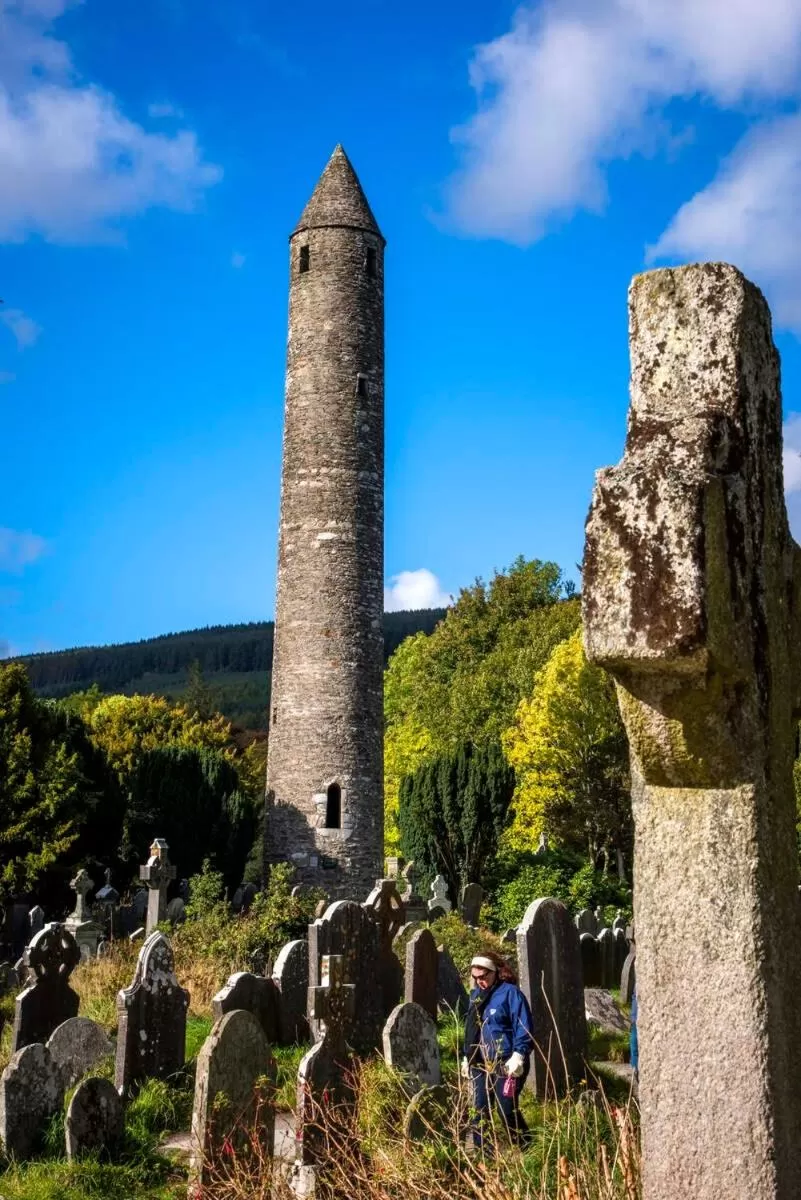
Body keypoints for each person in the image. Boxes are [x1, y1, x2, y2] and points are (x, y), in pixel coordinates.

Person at [461, 951, 534, 1149]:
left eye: (483, 977)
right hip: (479, 1062)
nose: (479, 981)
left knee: (506, 1109)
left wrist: (519, 1054)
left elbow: (524, 1025)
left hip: (506, 1062)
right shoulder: (476, 996)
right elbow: (471, 1029)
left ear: (495, 972)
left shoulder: (510, 993)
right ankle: (484, 1156)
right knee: (479, 1111)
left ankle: (526, 1147)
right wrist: (467, 1056)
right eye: (475, 977)